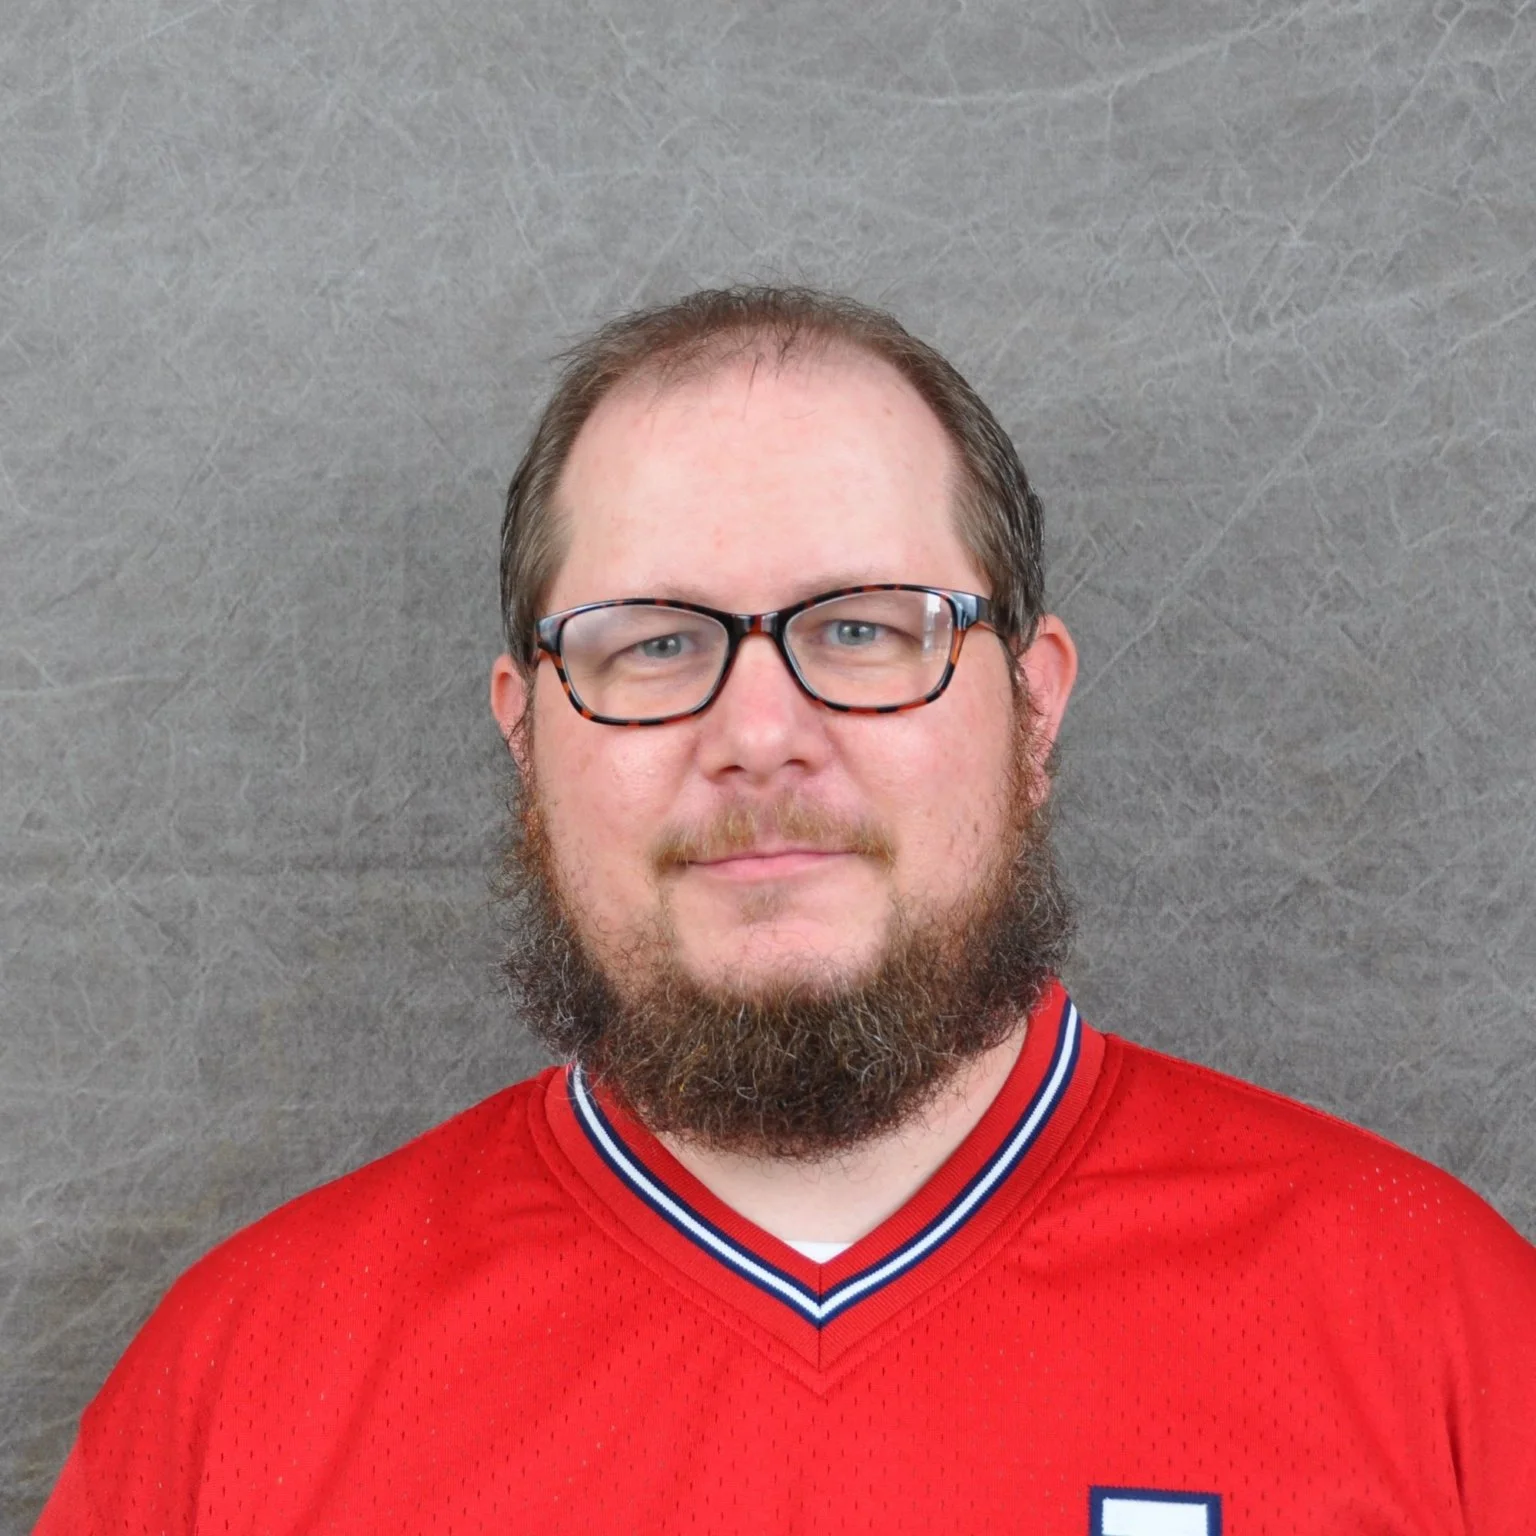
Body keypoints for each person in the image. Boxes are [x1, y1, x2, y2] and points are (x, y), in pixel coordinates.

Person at [38, 287, 1536, 1536]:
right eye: (651, 644)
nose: (759, 734)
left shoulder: (1441, 1332)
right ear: (525, 735)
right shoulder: (244, 1390)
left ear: (1032, 709)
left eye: (865, 629)